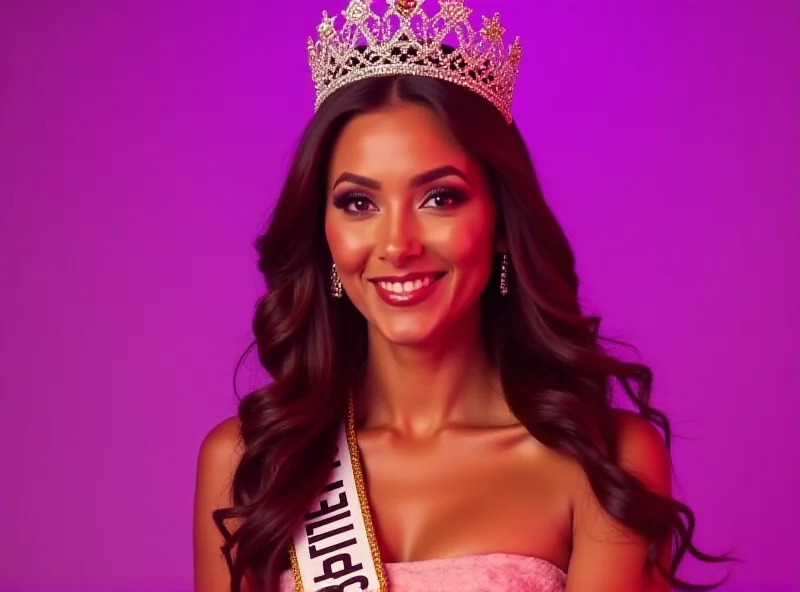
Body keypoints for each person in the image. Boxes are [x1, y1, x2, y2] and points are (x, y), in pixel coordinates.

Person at [193, 0, 732, 590]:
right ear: (323, 231)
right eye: (358, 203)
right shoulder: (251, 463)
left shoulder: (603, 463)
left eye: (439, 198)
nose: (396, 245)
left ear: (501, 222)